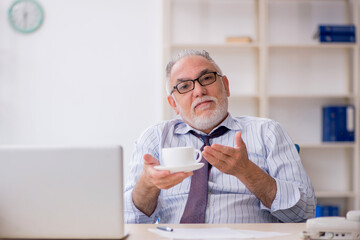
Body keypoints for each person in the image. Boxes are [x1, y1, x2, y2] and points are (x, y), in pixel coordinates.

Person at [124, 49, 316, 224]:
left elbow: (303, 212)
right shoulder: (155, 138)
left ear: (225, 86)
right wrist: (147, 185)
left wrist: (248, 172)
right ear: (173, 104)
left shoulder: (268, 132)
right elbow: (129, 221)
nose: (199, 91)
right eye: (184, 86)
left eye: (207, 78)